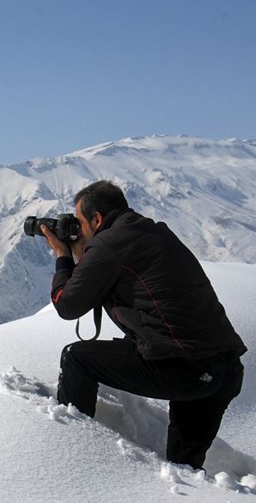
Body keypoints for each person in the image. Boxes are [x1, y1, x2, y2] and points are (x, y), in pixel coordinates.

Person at [40, 180, 247, 470]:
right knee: (184, 470)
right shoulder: (153, 230)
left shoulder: (108, 242)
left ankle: (75, 457)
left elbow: (67, 304)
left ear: (97, 219)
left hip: (184, 367)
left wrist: (64, 255)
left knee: (77, 358)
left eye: (80, 223)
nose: (79, 230)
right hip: (223, 370)